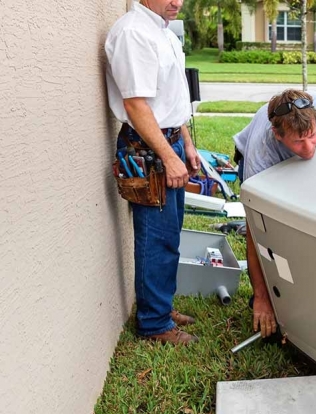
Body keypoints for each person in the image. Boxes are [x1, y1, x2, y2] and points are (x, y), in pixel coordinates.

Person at [234, 89, 316, 338]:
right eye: (298, 141)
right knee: (278, 231)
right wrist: (262, 299)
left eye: (312, 136)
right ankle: (275, 299)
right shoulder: (262, 150)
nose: (308, 148)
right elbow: (255, 228)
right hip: (270, 169)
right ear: (277, 134)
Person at [105, 0, 202, 344]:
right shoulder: (133, 33)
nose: (177, 2)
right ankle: (154, 324)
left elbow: (171, 102)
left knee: (170, 236)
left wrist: (186, 145)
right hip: (148, 149)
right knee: (155, 239)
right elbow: (136, 105)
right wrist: (168, 156)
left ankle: (160, 306)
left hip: (169, 141)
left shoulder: (164, 32)